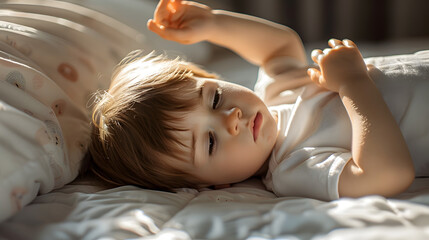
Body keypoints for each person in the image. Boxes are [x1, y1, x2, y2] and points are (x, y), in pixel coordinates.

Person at [86, 0, 429, 201]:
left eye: (215, 98)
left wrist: (213, 23)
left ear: (214, 79)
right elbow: (387, 174)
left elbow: (279, 46)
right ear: (212, 185)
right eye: (209, 142)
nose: (231, 118)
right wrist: (355, 84)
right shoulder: (293, 167)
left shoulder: (277, 91)